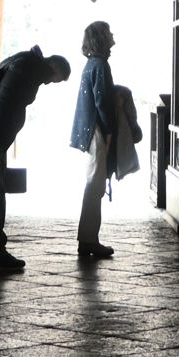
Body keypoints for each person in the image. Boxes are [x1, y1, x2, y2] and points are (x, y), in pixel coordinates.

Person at [0, 46, 70, 273]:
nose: (52, 83)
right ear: (55, 67)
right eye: (57, 79)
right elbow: (4, 99)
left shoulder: (24, 60)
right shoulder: (30, 68)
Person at [71, 18, 120, 261]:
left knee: (94, 184)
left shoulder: (92, 63)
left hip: (90, 129)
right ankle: (89, 239)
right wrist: (110, 131)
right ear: (102, 37)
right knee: (95, 185)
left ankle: (88, 238)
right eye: (109, 32)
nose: (113, 37)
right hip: (97, 130)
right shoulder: (100, 65)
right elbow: (102, 101)